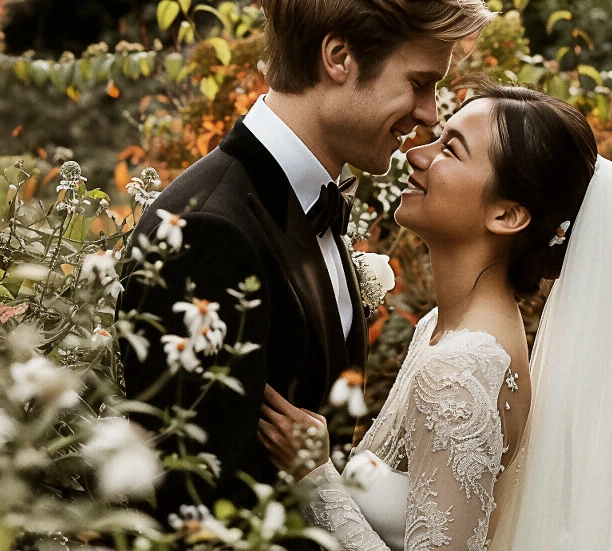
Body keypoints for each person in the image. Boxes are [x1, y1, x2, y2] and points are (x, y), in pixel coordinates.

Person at [258, 77, 612, 550]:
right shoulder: (442, 330)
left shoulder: (461, 367)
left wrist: (313, 477)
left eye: (450, 150)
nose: (417, 154)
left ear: (507, 215)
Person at [118, 0, 493, 516]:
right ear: (339, 57)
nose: (430, 113)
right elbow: (197, 501)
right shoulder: (211, 231)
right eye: (419, 82)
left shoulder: (307, 201)